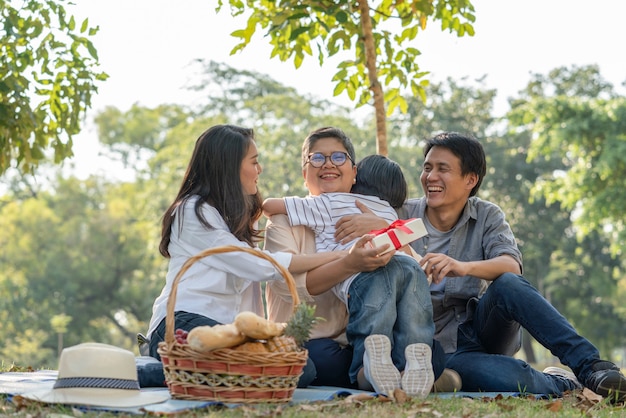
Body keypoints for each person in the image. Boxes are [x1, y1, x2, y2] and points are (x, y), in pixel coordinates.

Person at [333, 131, 626, 403]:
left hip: (480, 329)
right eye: (427, 167)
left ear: (470, 179)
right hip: (431, 349)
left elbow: (511, 265)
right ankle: (565, 384)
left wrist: (461, 267)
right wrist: (384, 227)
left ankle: (593, 368)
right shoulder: (398, 213)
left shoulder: (486, 215)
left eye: (442, 169)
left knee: (508, 283)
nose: (430, 177)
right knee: (511, 378)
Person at [144, 124, 345, 387]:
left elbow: (250, 296)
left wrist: (263, 339)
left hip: (226, 331)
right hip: (182, 321)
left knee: (299, 369)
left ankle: (185, 371)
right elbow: (259, 266)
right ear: (229, 167)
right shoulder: (192, 211)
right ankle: (147, 373)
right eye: (254, 161)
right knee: (292, 371)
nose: (259, 169)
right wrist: (340, 257)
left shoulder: (237, 217)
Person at [263, 127, 436, 397]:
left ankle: (389, 370)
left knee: (431, 351)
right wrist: (350, 261)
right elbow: (287, 286)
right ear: (304, 173)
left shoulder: (375, 211)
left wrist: (384, 228)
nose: (328, 164)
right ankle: (380, 371)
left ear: (354, 173)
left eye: (338, 157)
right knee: (323, 356)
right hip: (317, 341)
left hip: (367, 336)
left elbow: (416, 272)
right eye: (317, 158)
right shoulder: (286, 220)